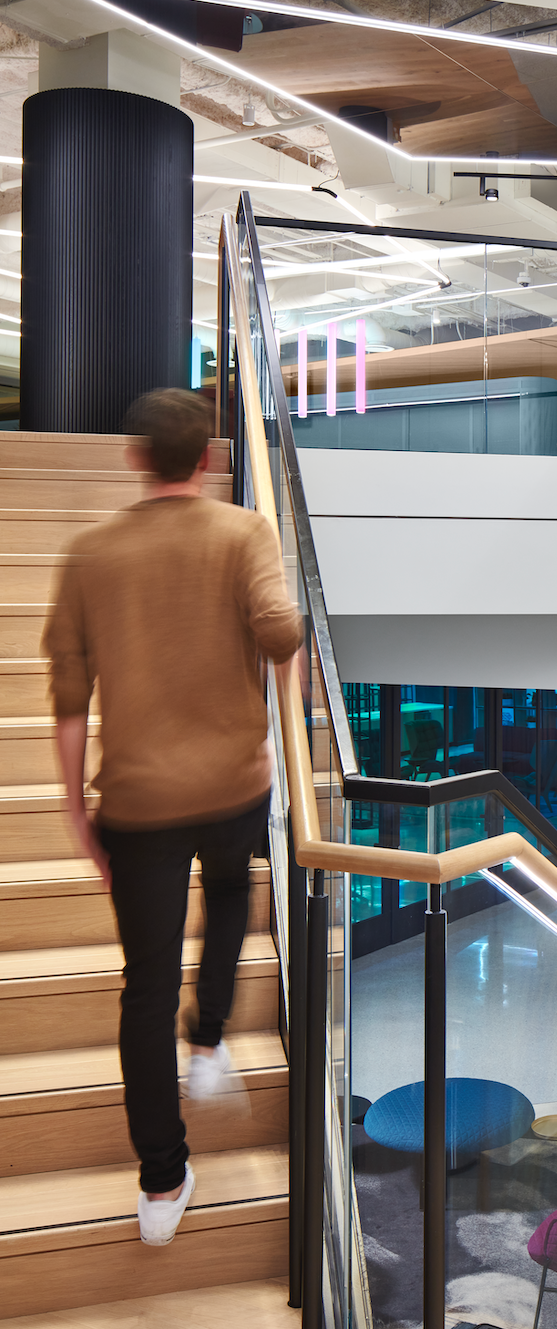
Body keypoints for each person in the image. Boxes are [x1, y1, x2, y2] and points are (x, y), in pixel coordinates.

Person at [43, 390, 304, 1247]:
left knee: (145, 988)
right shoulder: (243, 532)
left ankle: (161, 1182)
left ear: (134, 458)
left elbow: (69, 699)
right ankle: (211, 1039)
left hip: (137, 803)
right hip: (234, 787)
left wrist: (75, 808)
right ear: (208, 461)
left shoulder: (89, 554)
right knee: (230, 893)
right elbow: (281, 635)